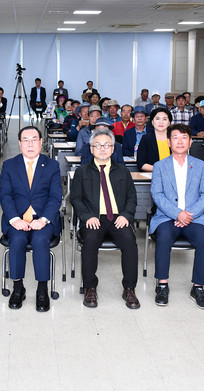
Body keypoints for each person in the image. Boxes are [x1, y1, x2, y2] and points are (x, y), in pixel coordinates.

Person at [71, 128, 139, 309]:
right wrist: (87, 217)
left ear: (113, 149)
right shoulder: (82, 172)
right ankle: (90, 288)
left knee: (130, 241)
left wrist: (126, 215)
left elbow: (132, 198)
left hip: (118, 218)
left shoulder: (123, 171)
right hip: (93, 218)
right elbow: (76, 199)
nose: (102, 149)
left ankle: (129, 289)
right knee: (90, 241)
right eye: (98, 145)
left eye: (106, 145)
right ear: (91, 149)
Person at [149, 124, 204, 309]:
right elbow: (157, 194)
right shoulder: (160, 166)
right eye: (175, 138)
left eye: (184, 138)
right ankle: (162, 285)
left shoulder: (200, 165)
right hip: (167, 217)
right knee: (164, 238)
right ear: (169, 142)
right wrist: (177, 214)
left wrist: (188, 214)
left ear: (190, 142)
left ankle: (198, 287)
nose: (179, 141)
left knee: (203, 241)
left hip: (194, 217)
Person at [0, 126, 61, 312]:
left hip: (43, 219)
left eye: (34, 139)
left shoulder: (52, 166)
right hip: (17, 218)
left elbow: (55, 197)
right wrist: (14, 219)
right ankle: (18, 287)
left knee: (40, 240)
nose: (30, 144)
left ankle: (42, 289)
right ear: (19, 144)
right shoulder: (9, 165)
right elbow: (5, 196)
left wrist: (43, 220)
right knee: (17, 240)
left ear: (41, 142)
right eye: (25, 140)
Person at [137, 108, 172, 172]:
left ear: (169, 122)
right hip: (152, 174)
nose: (161, 122)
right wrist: (160, 170)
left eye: (164, 119)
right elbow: (141, 164)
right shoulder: (146, 138)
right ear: (152, 122)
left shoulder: (174, 138)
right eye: (157, 119)